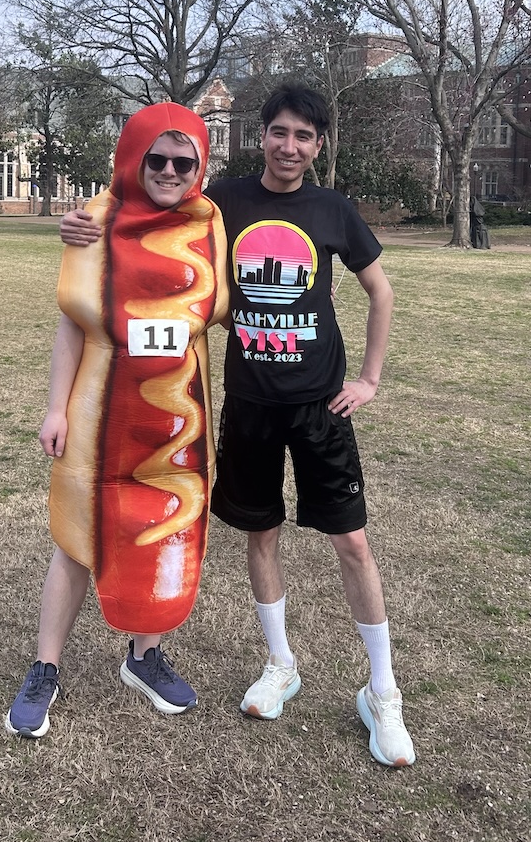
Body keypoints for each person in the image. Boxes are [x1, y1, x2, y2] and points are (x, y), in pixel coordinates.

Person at [61, 84, 415, 768]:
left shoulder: (334, 208)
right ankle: (280, 663)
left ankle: (383, 691)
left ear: (319, 145)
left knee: (353, 544)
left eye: (304, 136)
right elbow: (141, 206)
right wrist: (78, 224)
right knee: (261, 537)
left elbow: (381, 290)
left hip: (318, 407)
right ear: (263, 135)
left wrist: (368, 380)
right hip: (249, 403)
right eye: (279, 132)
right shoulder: (221, 199)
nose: (289, 146)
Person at [6, 103, 228, 739]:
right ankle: (45, 667)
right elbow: (73, 326)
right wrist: (54, 408)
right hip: (101, 413)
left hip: (178, 422)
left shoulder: (210, 224)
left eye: (183, 162)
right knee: (79, 539)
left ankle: (144, 655)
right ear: (131, 158)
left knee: (164, 529)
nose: (167, 171)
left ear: (200, 167)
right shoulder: (95, 224)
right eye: (154, 158)